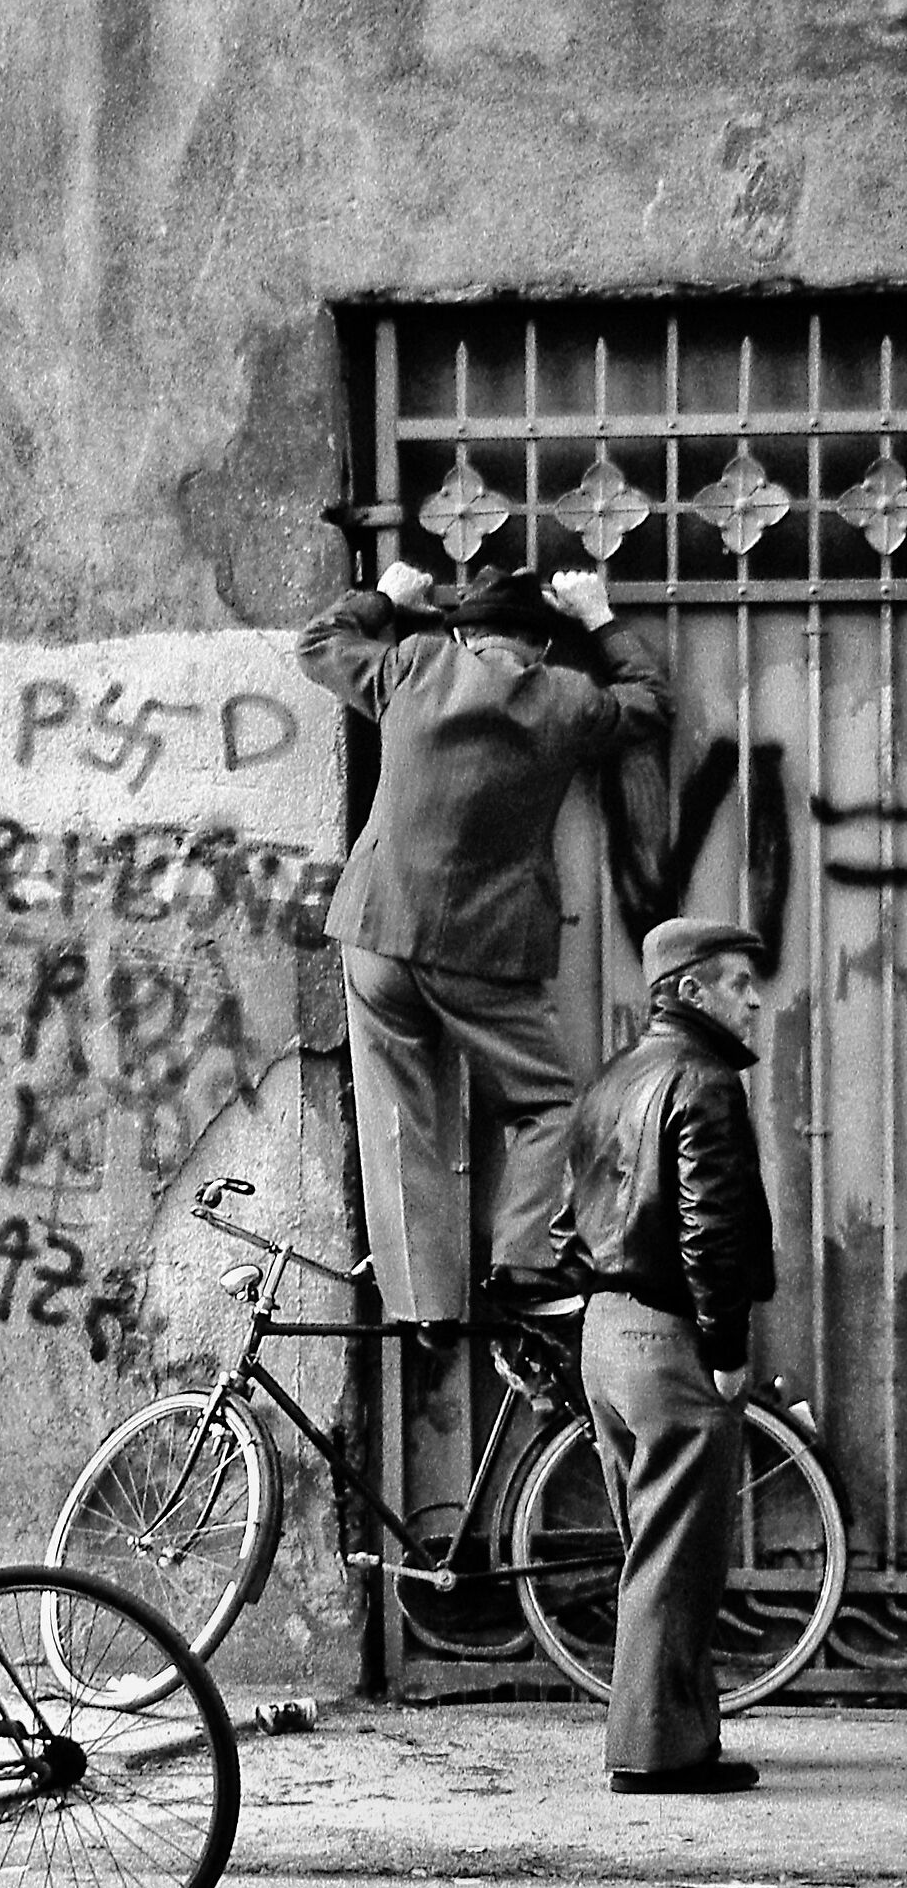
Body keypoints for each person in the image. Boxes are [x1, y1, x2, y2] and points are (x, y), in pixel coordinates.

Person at [296, 559, 673, 1332]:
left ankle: (424, 1310)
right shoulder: (566, 698)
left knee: (398, 1116)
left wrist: (384, 600)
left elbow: (319, 645)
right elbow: (651, 702)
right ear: (542, 646)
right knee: (548, 1104)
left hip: (379, 929)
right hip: (487, 949)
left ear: (465, 635)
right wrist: (600, 617)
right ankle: (523, 1262)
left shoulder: (414, 664)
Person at [552, 916, 774, 1794]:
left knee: (654, 1546)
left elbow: (566, 1223)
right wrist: (725, 1345)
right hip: (670, 1339)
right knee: (677, 1557)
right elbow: (708, 1228)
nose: (755, 1000)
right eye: (738, 983)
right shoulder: (704, 1081)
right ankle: (656, 1755)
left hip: (606, 1337)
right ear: (689, 991)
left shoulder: (615, 1077)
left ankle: (681, 1734)